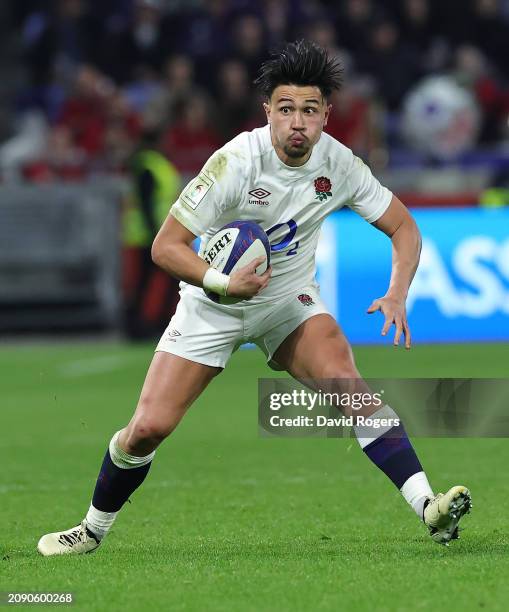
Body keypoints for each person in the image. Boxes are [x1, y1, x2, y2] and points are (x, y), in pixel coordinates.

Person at [37, 40, 471, 555]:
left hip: (287, 303)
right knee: (148, 429)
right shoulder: (235, 162)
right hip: (213, 304)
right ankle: (91, 530)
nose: (297, 123)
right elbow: (166, 247)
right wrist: (223, 283)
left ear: (326, 116)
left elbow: (403, 227)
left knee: (352, 391)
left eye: (310, 111)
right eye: (286, 109)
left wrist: (398, 291)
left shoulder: (341, 165)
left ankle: (429, 507)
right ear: (268, 111)